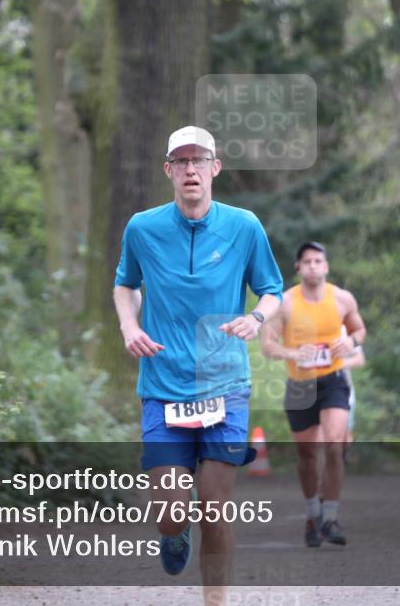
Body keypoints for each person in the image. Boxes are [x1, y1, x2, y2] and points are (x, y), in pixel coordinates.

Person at [113, 125, 283, 604]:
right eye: (182, 162)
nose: (191, 169)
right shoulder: (142, 228)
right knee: (171, 511)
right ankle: (172, 532)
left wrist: (255, 318)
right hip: (163, 383)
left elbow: (272, 290)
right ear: (169, 170)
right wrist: (129, 326)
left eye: (199, 160)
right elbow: (126, 283)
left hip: (224, 383)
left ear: (215, 168)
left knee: (215, 507)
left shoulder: (244, 226)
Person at [261, 241, 366, 547]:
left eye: (318, 261)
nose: (312, 266)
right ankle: (312, 513)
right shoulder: (286, 302)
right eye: (306, 261)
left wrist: (351, 343)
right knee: (307, 455)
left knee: (334, 445)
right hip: (300, 386)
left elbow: (359, 330)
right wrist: (293, 353)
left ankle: (331, 517)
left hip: (333, 380)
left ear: (326, 266)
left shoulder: (342, 299)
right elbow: (267, 346)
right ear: (298, 267)